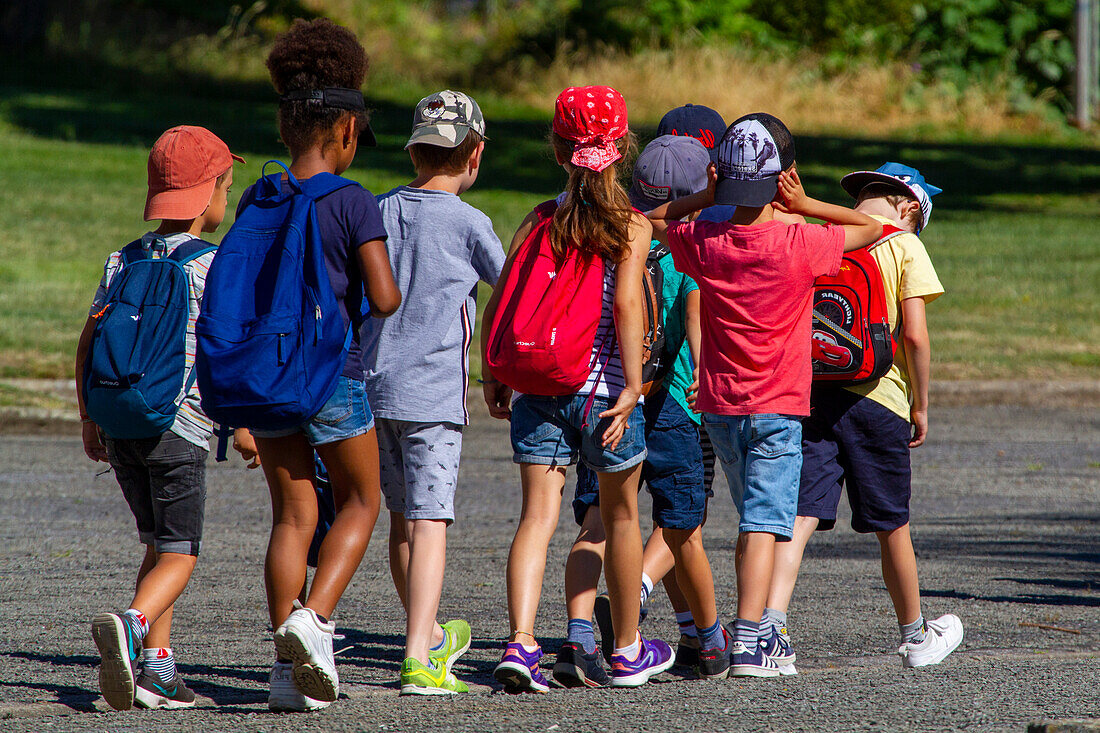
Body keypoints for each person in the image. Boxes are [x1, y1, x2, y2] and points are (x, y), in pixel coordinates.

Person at [647, 112, 883, 677]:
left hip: (721, 405)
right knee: (762, 523)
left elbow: (654, 219)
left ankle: (748, 633)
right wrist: (804, 205)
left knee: (751, 518)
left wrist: (704, 195)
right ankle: (753, 642)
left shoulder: (704, 239)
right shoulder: (800, 240)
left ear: (723, 177)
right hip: (777, 403)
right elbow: (870, 229)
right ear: (782, 179)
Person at [481, 86, 673, 692]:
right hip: (605, 395)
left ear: (559, 150)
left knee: (536, 517)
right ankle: (625, 650)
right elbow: (626, 303)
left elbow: (504, 295)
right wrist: (635, 387)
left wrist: (494, 375)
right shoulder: (630, 224)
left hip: (538, 387)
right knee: (619, 518)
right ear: (621, 149)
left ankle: (521, 642)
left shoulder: (539, 217)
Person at [239, 18, 401, 712]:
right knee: (362, 500)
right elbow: (386, 296)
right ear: (347, 132)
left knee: (291, 515)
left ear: (284, 129)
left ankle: (283, 675)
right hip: (332, 370)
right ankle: (317, 616)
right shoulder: (352, 199)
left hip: (267, 378)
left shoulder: (261, 196)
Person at [765, 163, 964, 668]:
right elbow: (914, 335)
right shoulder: (905, 245)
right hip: (880, 400)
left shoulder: (822, 234)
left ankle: (771, 631)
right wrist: (921, 403)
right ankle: (916, 636)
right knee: (891, 523)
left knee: (801, 514)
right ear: (911, 208)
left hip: (813, 393)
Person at [555, 135, 730, 687]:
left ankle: (579, 632)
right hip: (670, 408)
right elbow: (697, 334)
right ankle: (711, 638)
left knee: (597, 522)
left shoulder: (606, 236)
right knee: (683, 530)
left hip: (606, 403)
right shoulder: (687, 256)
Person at [77, 125, 242, 710]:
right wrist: (242, 425)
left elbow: (91, 337)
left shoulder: (123, 258)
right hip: (180, 426)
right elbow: (225, 351)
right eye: (226, 184)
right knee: (180, 552)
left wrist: (88, 415)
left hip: (120, 421)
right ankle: (132, 624)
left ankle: (157, 670)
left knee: (156, 542)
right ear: (206, 196)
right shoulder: (213, 266)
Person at [362, 90, 504, 695]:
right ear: (474, 155)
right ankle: (422, 655)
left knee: (400, 519)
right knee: (431, 520)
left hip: (372, 385)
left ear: (414, 151)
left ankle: (425, 633)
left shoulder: (380, 208)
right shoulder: (471, 223)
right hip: (435, 393)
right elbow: (511, 288)